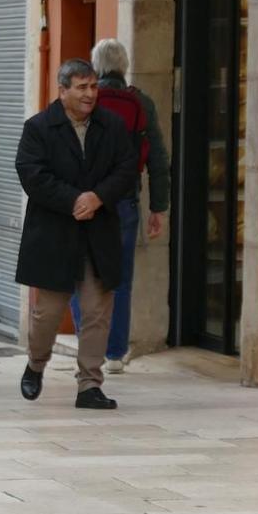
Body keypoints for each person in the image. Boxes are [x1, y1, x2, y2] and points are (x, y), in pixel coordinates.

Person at [14, 59, 138, 410]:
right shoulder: (39, 127)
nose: (89, 94)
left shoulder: (111, 126)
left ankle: (89, 385)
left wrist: (98, 197)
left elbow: (127, 168)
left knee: (97, 311)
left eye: (94, 87)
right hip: (54, 232)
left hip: (99, 232)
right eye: (82, 87)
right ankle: (36, 365)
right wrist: (74, 200)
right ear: (63, 90)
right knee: (47, 313)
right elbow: (31, 174)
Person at [69, 38, 170, 375]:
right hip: (124, 201)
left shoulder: (83, 100)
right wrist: (158, 207)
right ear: (124, 66)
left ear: (94, 67)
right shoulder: (140, 102)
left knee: (79, 275)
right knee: (120, 278)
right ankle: (114, 354)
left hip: (84, 201)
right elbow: (157, 157)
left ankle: (88, 346)